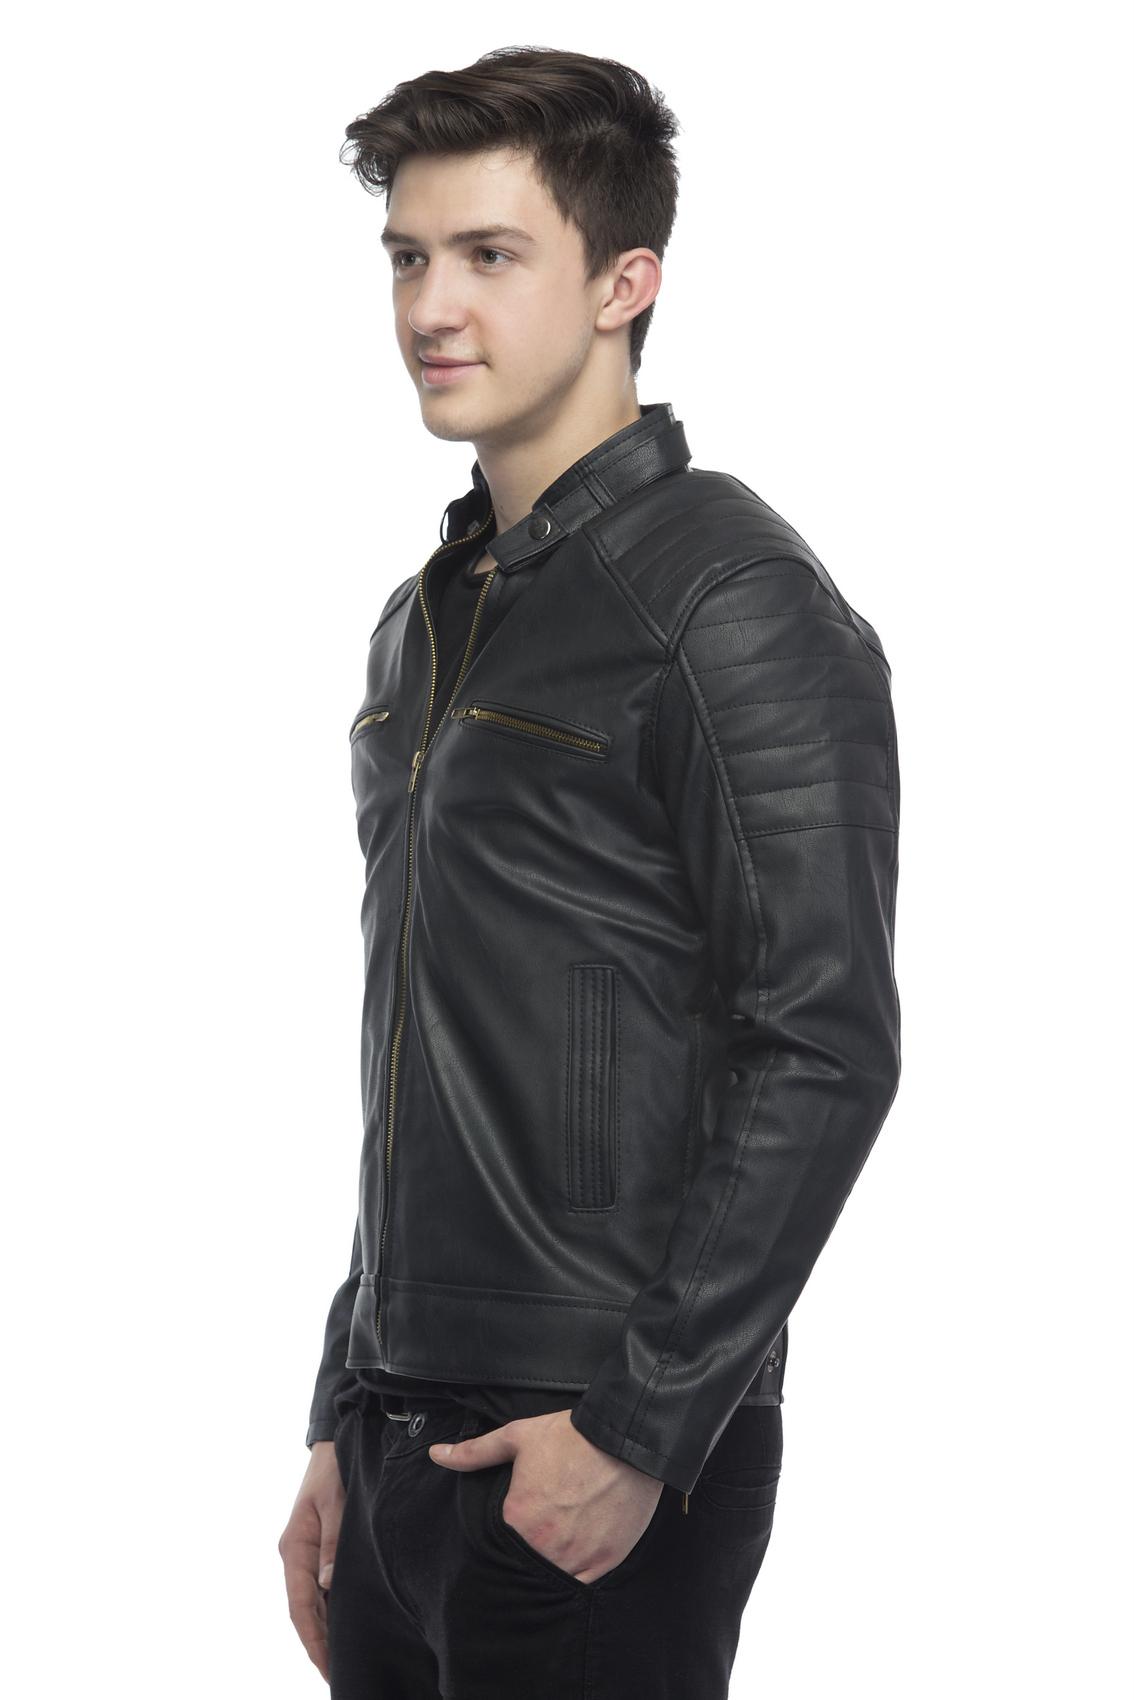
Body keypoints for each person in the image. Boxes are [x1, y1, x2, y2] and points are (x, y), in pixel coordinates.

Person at [278, 45, 901, 1699]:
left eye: (490, 255)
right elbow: (425, 1054)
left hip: (593, 1446)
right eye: (407, 256)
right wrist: (342, 1407)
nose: (430, 307)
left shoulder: (729, 599)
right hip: (400, 1430)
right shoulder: (429, 618)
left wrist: (637, 1424)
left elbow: (823, 1040)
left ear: (626, 284)